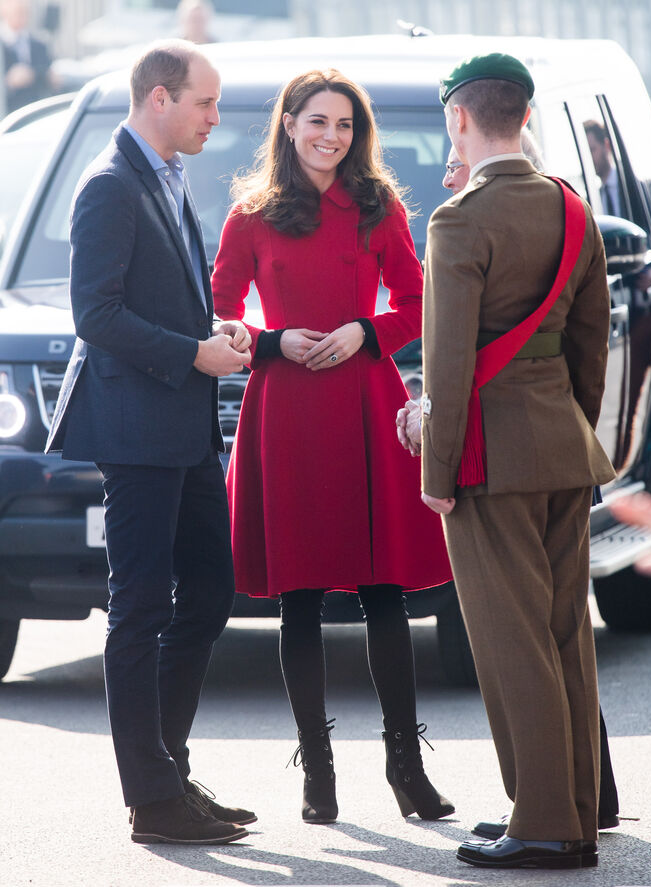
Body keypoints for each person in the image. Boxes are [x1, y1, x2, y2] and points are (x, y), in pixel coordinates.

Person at [211, 68, 454, 825]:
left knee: (384, 591)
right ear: (289, 124)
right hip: (286, 412)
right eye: (318, 120)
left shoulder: (378, 209)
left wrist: (366, 330)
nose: (331, 136)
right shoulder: (249, 216)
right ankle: (318, 772)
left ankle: (405, 768)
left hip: (364, 400)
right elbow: (218, 318)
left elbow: (420, 305)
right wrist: (274, 340)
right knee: (301, 597)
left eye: (345, 124)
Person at [45, 40, 255, 846]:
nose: (214, 118)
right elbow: (94, 318)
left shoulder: (168, 175)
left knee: (208, 589)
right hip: (137, 432)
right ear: (159, 98)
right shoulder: (107, 184)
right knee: (138, 607)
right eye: (205, 103)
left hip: (185, 428)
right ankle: (154, 800)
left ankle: (170, 772)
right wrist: (188, 353)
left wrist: (214, 331)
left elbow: (159, 296)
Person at [420, 53, 616, 869]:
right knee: (566, 629)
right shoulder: (573, 209)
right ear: (526, 115)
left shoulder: (459, 221)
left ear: (459, 118)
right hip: (564, 444)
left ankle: (545, 824)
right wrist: (566, 420)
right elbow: (590, 341)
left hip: (490, 458)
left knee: (513, 640)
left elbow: (448, 365)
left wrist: (437, 473)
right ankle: (582, 799)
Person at [0, 0, 52, 114]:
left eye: (25, 11)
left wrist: (33, 74)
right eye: (18, 11)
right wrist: (7, 83)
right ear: (4, 10)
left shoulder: (39, 45)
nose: (22, 16)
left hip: (34, 114)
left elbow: (49, 78)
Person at [584, 119, 624, 218]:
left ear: (607, 145)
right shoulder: (593, 200)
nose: (589, 158)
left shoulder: (633, 186)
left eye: (592, 150)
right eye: (585, 154)